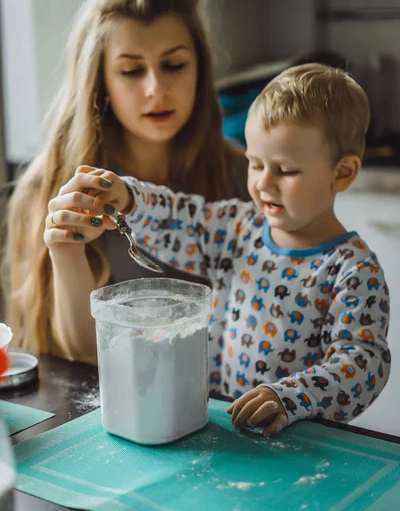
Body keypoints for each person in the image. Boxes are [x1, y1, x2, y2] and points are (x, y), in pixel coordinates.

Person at [65, 63, 391, 436]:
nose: (263, 183)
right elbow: (180, 218)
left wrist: (291, 396)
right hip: (216, 428)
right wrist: (129, 197)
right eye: (255, 164)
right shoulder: (237, 228)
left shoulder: (352, 269)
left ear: (342, 173)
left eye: (285, 170)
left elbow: (363, 364)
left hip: (296, 441)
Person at [3, 0, 249, 362]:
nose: (156, 89)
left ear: (201, 69)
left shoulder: (243, 176)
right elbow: (84, 358)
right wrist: (66, 254)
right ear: (101, 81)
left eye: (173, 65)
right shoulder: (46, 189)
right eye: (132, 71)